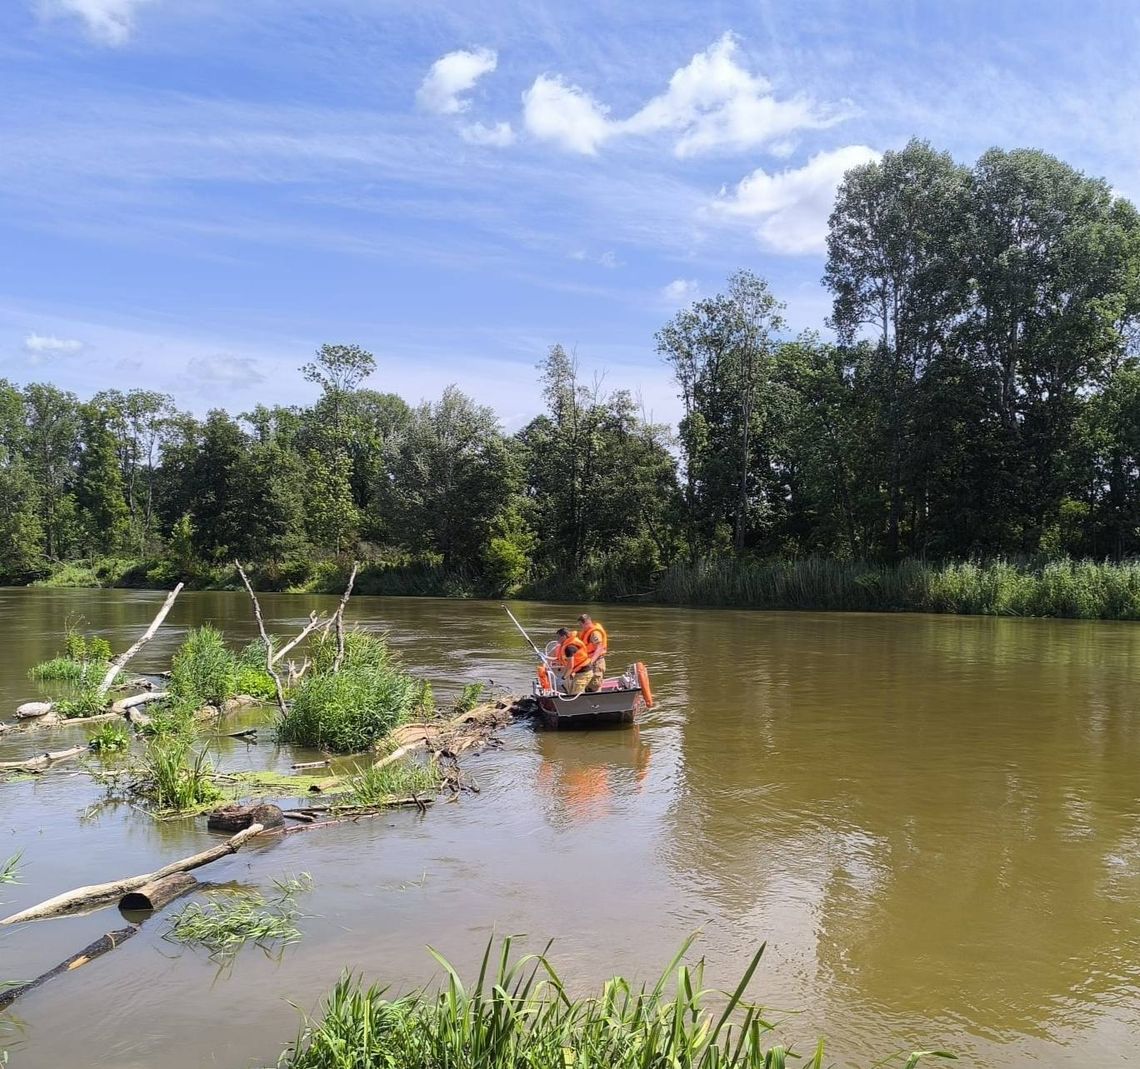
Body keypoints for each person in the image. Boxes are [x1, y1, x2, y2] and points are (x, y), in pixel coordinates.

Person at [574, 613, 608, 693]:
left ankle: (597, 702)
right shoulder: (588, 631)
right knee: (588, 683)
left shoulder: (595, 633)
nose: (581, 627)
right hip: (589, 661)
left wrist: (592, 661)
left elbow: (599, 648)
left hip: (597, 662)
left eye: (581, 625)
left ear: (585, 623)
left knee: (595, 684)